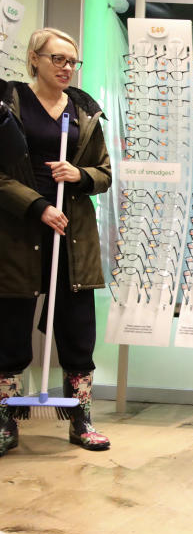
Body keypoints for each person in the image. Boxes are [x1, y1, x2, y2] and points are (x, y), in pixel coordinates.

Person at [0, 28, 112, 455]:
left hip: (73, 233)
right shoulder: (7, 106)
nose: (66, 68)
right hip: (19, 230)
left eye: (72, 61)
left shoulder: (84, 112)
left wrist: (78, 175)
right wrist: (37, 206)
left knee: (77, 325)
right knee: (10, 325)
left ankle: (80, 419)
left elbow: (103, 172)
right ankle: (5, 422)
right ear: (34, 59)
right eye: (57, 59)